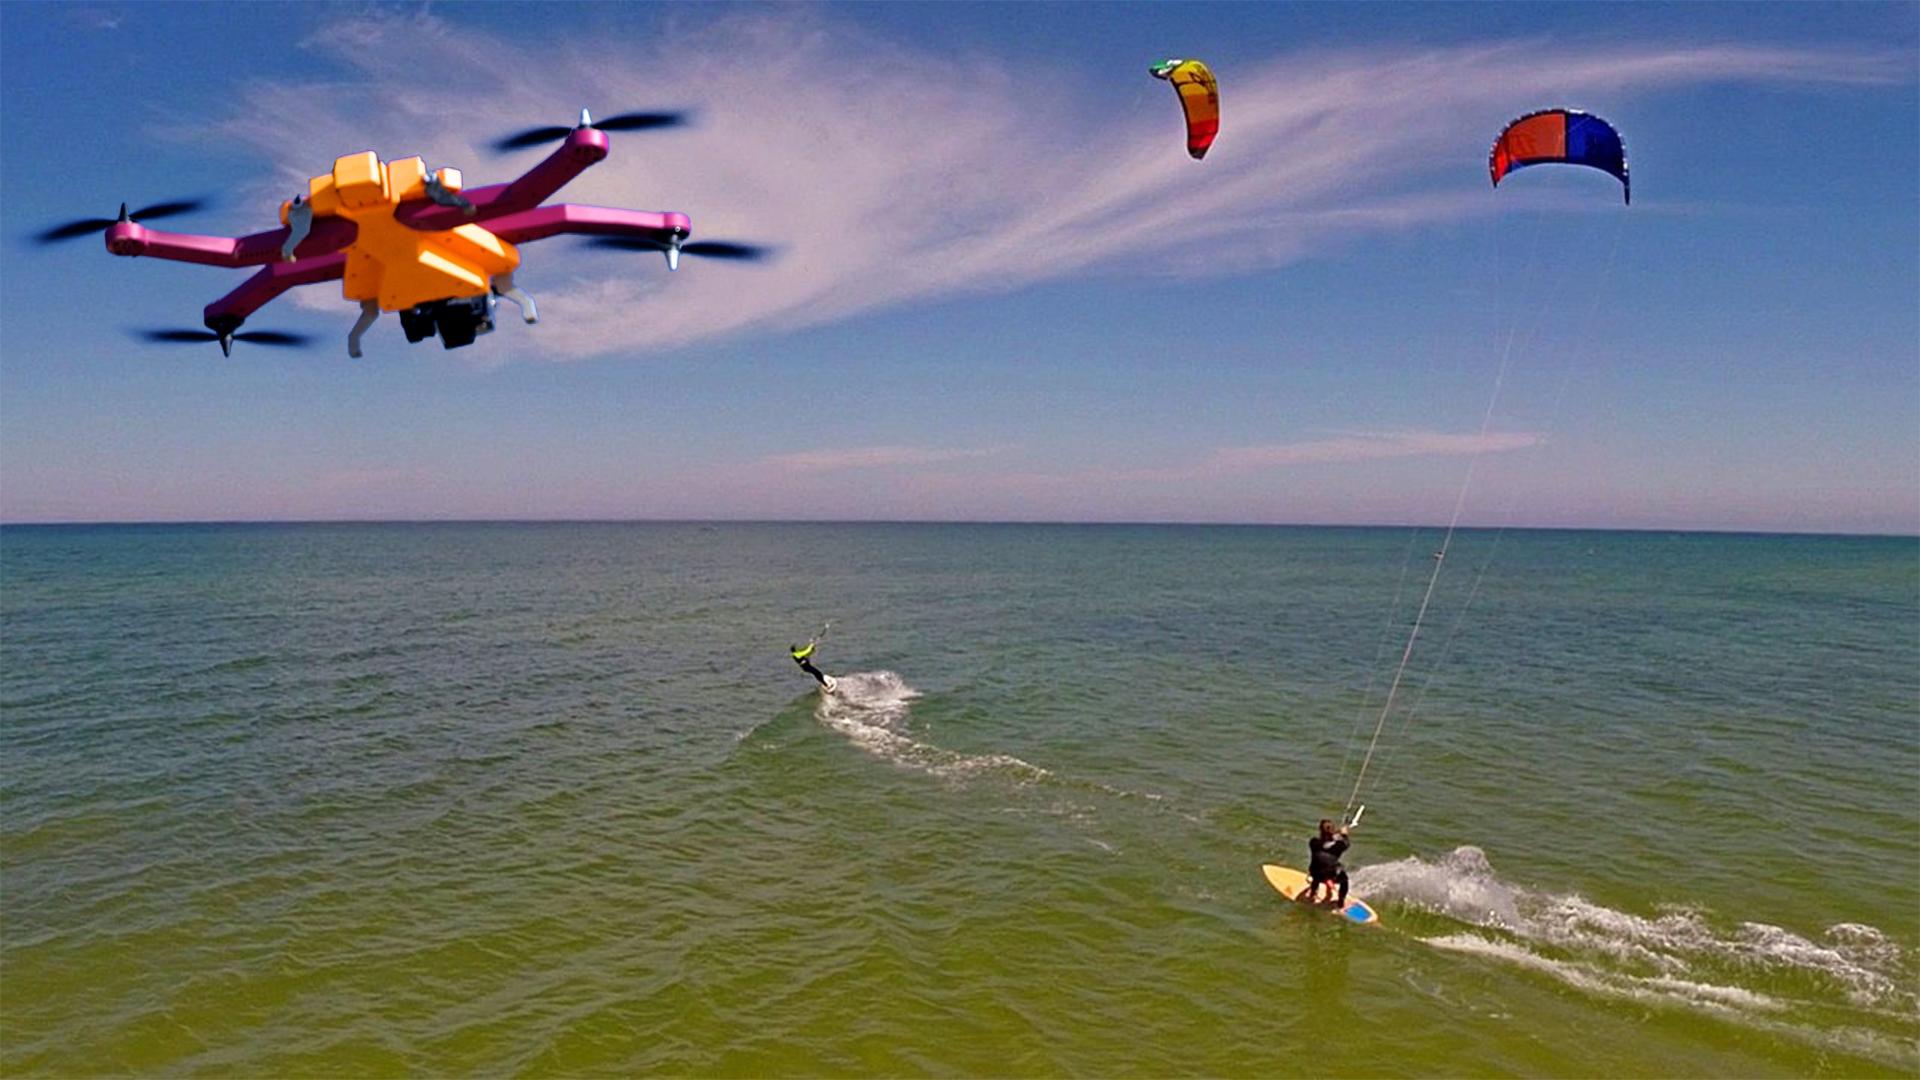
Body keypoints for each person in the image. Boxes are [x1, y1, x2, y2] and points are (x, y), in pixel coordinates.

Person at [1306, 818, 1352, 905]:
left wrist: (1335, 833)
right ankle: (1341, 901)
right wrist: (1344, 835)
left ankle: (1313, 893)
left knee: (1318, 867)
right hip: (1331, 874)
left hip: (1315, 873)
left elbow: (1325, 842)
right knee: (1344, 880)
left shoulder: (1313, 842)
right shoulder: (1339, 845)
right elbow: (1346, 843)